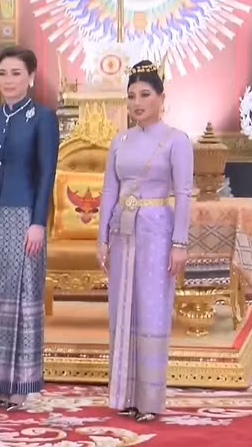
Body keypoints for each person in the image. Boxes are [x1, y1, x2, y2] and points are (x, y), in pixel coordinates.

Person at [96, 59, 193, 422]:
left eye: (145, 95)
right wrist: (102, 238)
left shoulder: (176, 140)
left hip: (156, 230)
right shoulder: (119, 141)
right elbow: (109, 190)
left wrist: (180, 243)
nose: (137, 102)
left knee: (151, 309)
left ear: (161, 98)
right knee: (122, 308)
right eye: (132, 96)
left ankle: (150, 400)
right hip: (122, 231)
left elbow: (183, 193)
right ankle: (124, 394)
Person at [0, 46, 59, 410]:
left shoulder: (43, 117)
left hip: (25, 218)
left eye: (16, 73)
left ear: (31, 77)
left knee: (23, 298)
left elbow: (46, 173)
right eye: (3, 73)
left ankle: (20, 386)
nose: (8, 80)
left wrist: (38, 222)